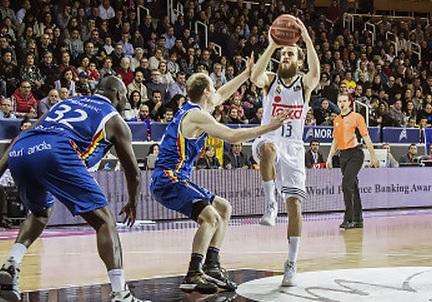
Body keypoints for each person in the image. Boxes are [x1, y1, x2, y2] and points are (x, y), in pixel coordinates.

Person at [149, 56, 291, 294]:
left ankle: (212, 265)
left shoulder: (194, 107)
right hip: (168, 178)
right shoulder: (198, 116)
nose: (215, 93)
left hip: (176, 177)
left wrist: (246, 75)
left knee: (224, 208)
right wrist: (268, 127)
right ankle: (193, 273)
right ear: (205, 92)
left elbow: (222, 94)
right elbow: (233, 137)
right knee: (211, 218)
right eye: (212, 89)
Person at [0, 76, 147, 302]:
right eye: (124, 96)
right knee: (104, 221)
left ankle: (12, 263)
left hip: (22, 150)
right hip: (57, 150)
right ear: (117, 94)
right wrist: (133, 202)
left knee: (39, 213)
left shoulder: (64, 103)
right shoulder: (115, 120)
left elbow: (23, 135)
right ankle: (121, 294)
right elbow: (133, 172)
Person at [249, 17, 320, 286]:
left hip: (294, 148)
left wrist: (307, 40)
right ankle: (269, 204)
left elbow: (317, 73)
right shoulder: (270, 79)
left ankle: (291, 262)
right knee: (267, 147)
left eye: (291, 53)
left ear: (298, 60)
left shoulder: (304, 84)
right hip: (271, 138)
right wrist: (271, 45)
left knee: (295, 205)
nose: (286, 56)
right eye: (284, 54)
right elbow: (255, 76)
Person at [326, 94, 379, 230]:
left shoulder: (357, 117)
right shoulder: (336, 119)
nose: (342, 103)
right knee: (353, 186)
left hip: (355, 154)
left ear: (350, 103)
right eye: (339, 101)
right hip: (343, 155)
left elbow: (366, 137)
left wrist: (373, 156)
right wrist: (329, 157)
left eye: (344, 101)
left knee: (346, 185)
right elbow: (335, 140)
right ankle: (358, 219)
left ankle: (348, 219)